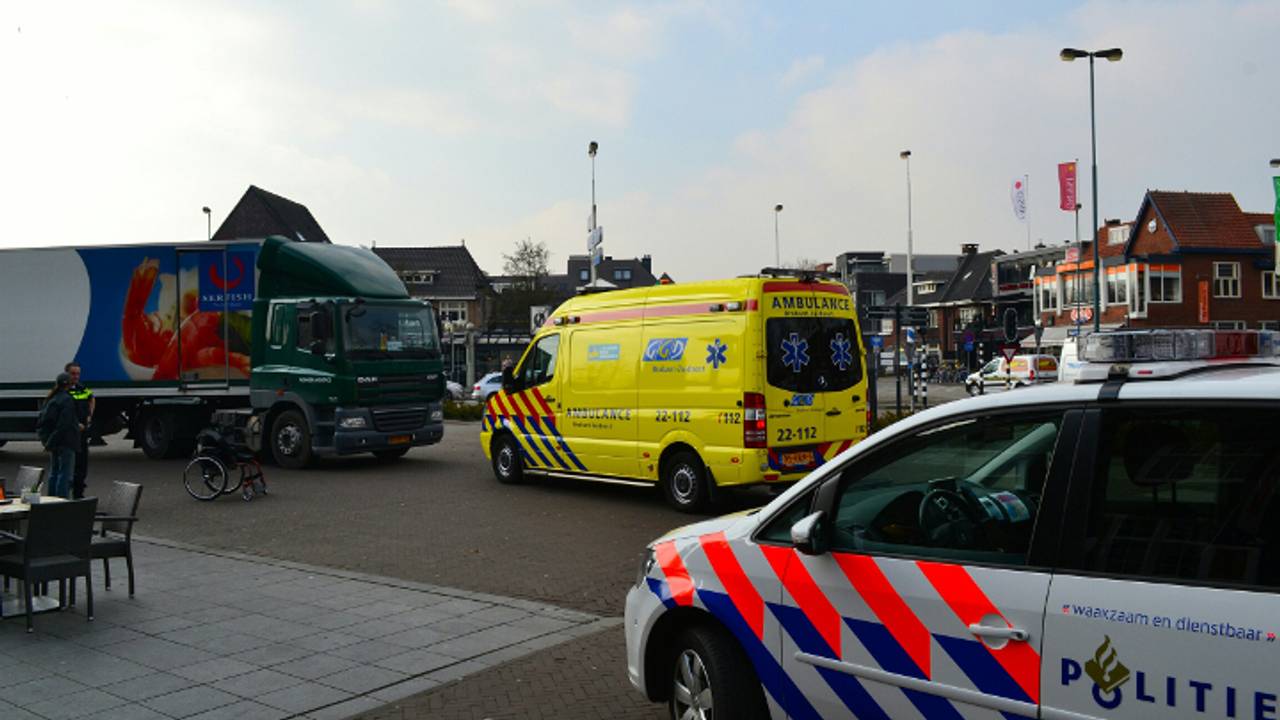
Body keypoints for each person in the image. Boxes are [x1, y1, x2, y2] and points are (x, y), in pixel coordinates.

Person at [38, 373, 80, 499]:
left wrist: (48, 443)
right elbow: (64, 425)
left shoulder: (51, 398)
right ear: (68, 385)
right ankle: (61, 502)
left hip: (54, 442)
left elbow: (45, 422)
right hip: (65, 441)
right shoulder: (67, 400)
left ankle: (51, 499)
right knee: (65, 474)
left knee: (54, 472)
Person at [66, 362, 95, 499]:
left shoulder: (81, 388)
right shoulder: (63, 391)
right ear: (67, 374)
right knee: (67, 466)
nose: (76, 376)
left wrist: (89, 415)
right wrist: (75, 424)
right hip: (69, 434)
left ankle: (79, 494)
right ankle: (64, 495)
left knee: (82, 465)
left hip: (82, 434)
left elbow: (92, 398)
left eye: (78, 373)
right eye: (73, 373)